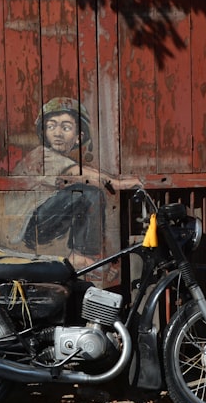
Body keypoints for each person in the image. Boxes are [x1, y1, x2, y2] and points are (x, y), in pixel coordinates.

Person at [9, 97, 137, 275]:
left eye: (66, 127)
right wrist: (117, 183)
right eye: (51, 126)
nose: (58, 133)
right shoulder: (41, 155)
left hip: (40, 223)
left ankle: (85, 256)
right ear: (44, 132)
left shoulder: (60, 159)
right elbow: (77, 173)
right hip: (26, 226)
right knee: (87, 194)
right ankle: (82, 257)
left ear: (79, 137)